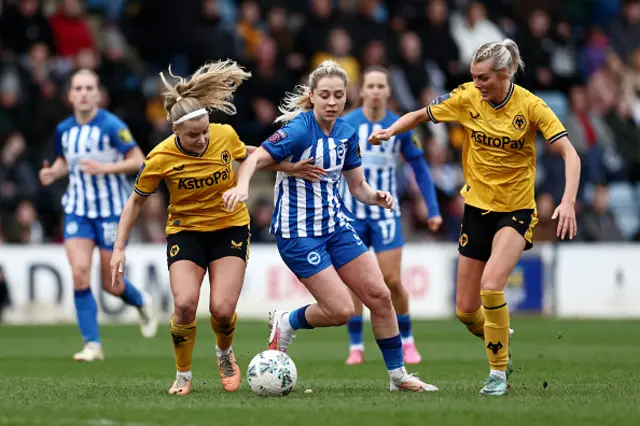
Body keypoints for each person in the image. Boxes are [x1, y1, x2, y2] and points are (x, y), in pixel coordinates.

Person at [369, 39, 580, 396]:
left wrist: (569, 200)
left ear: (504, 73)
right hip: (477, 209)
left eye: (483, 77)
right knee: (466, 311)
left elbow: (570, 154)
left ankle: (498, 373)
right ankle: (499, 335)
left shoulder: (530, 106)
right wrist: (391, 131)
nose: (477, 83)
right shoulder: (466, 97)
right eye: (474, 77)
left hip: (515, 211)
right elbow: (420, 115)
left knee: (492, 285)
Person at [110, 60, 325, 396]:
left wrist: (289, 167)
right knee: (184, 304)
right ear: (175, 131)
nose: (202, 139)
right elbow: (134, 203)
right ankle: (183, 374)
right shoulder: (160, 158)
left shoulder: (223, 135)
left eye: (205, 130)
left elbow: (251, 154)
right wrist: (118, 249)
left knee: (222, 311)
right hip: (186, 232)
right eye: (193, 134)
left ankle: (224, 355)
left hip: (230, 228)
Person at [222, 60, 439, 392]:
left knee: (381, 296)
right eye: (325, 95)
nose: (332, 101)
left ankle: (398, 377)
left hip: (336, 226)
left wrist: (375, 196)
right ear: (312, 96)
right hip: (299, 234)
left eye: (339, 95)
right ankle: (287, 321)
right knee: (340, 310)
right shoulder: (298, 130)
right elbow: (254, 158)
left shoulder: (347, 134)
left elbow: (357, 187)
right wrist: (242, 186)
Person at [39, 69, 157, 362]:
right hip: (78, 209)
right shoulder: (64, 129)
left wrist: (105, 168)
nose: (83, 93)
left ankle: (141, 301)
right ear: (69, 95)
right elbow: (67, 160)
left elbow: (138, 160)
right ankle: (92, 344)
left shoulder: (112, 125)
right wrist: (54, 171)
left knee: (111, 284)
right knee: (79, 272)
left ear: (97, 94)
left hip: (110, 212)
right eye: (77, 88)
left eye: (88, 87)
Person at [340, 66, 443, 366]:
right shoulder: (346, 125)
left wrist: (433, 209)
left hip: (386, 214)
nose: (374, 91)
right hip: (352, 213)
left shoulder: (399, 127)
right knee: (355, 283)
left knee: (391, 281)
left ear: (388, 92)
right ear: (362, 92)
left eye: (380, 86)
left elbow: (420, 168)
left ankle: (407, 341)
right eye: (369, 85)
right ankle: (356, 345)